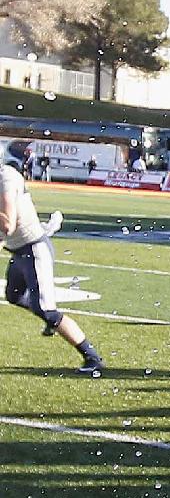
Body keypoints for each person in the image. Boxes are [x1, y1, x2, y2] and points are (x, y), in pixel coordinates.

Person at [3, 142, 104, 376]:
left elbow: (7, 224)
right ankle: (48, 316)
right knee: (14, 295)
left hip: (32, 249)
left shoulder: (7, 176)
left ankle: (92, 357)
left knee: (47, 309)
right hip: (19, 250)